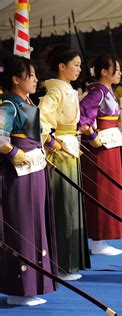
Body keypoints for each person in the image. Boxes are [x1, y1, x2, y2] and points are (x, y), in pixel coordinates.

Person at [0, 55, 57, 306]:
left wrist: (45, 147)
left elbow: (36, 132)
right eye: (30, 76)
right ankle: (18, 288)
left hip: (33, 168)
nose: (35, 80)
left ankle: (34, 284)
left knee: (36, 222)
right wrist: (14, 151)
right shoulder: (8, 104)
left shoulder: (27, 101)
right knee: (21, 223)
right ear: (15, 79)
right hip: (17, 173)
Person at [38, 45, 90, 281]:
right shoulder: (55, 91)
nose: (79, 69)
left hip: (69, 147)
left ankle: (69, 261)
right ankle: (61, 263)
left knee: (71, 203)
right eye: (75, 65)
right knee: (63, 204)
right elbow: (39, 121)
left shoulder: (66, 89)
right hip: (60, 152)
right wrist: (49, 140)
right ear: (62, 66)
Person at [79, 54, 122, 255]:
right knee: (102, 190)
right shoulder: (97, 91)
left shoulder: (106, 90)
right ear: (103, 72)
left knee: (112, 189)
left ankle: (104, 238)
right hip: (100, 148)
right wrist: (92, 135)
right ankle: (99, 240)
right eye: (115, 69)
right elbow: (83, 118)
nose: (119, 73)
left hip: (110, 144)